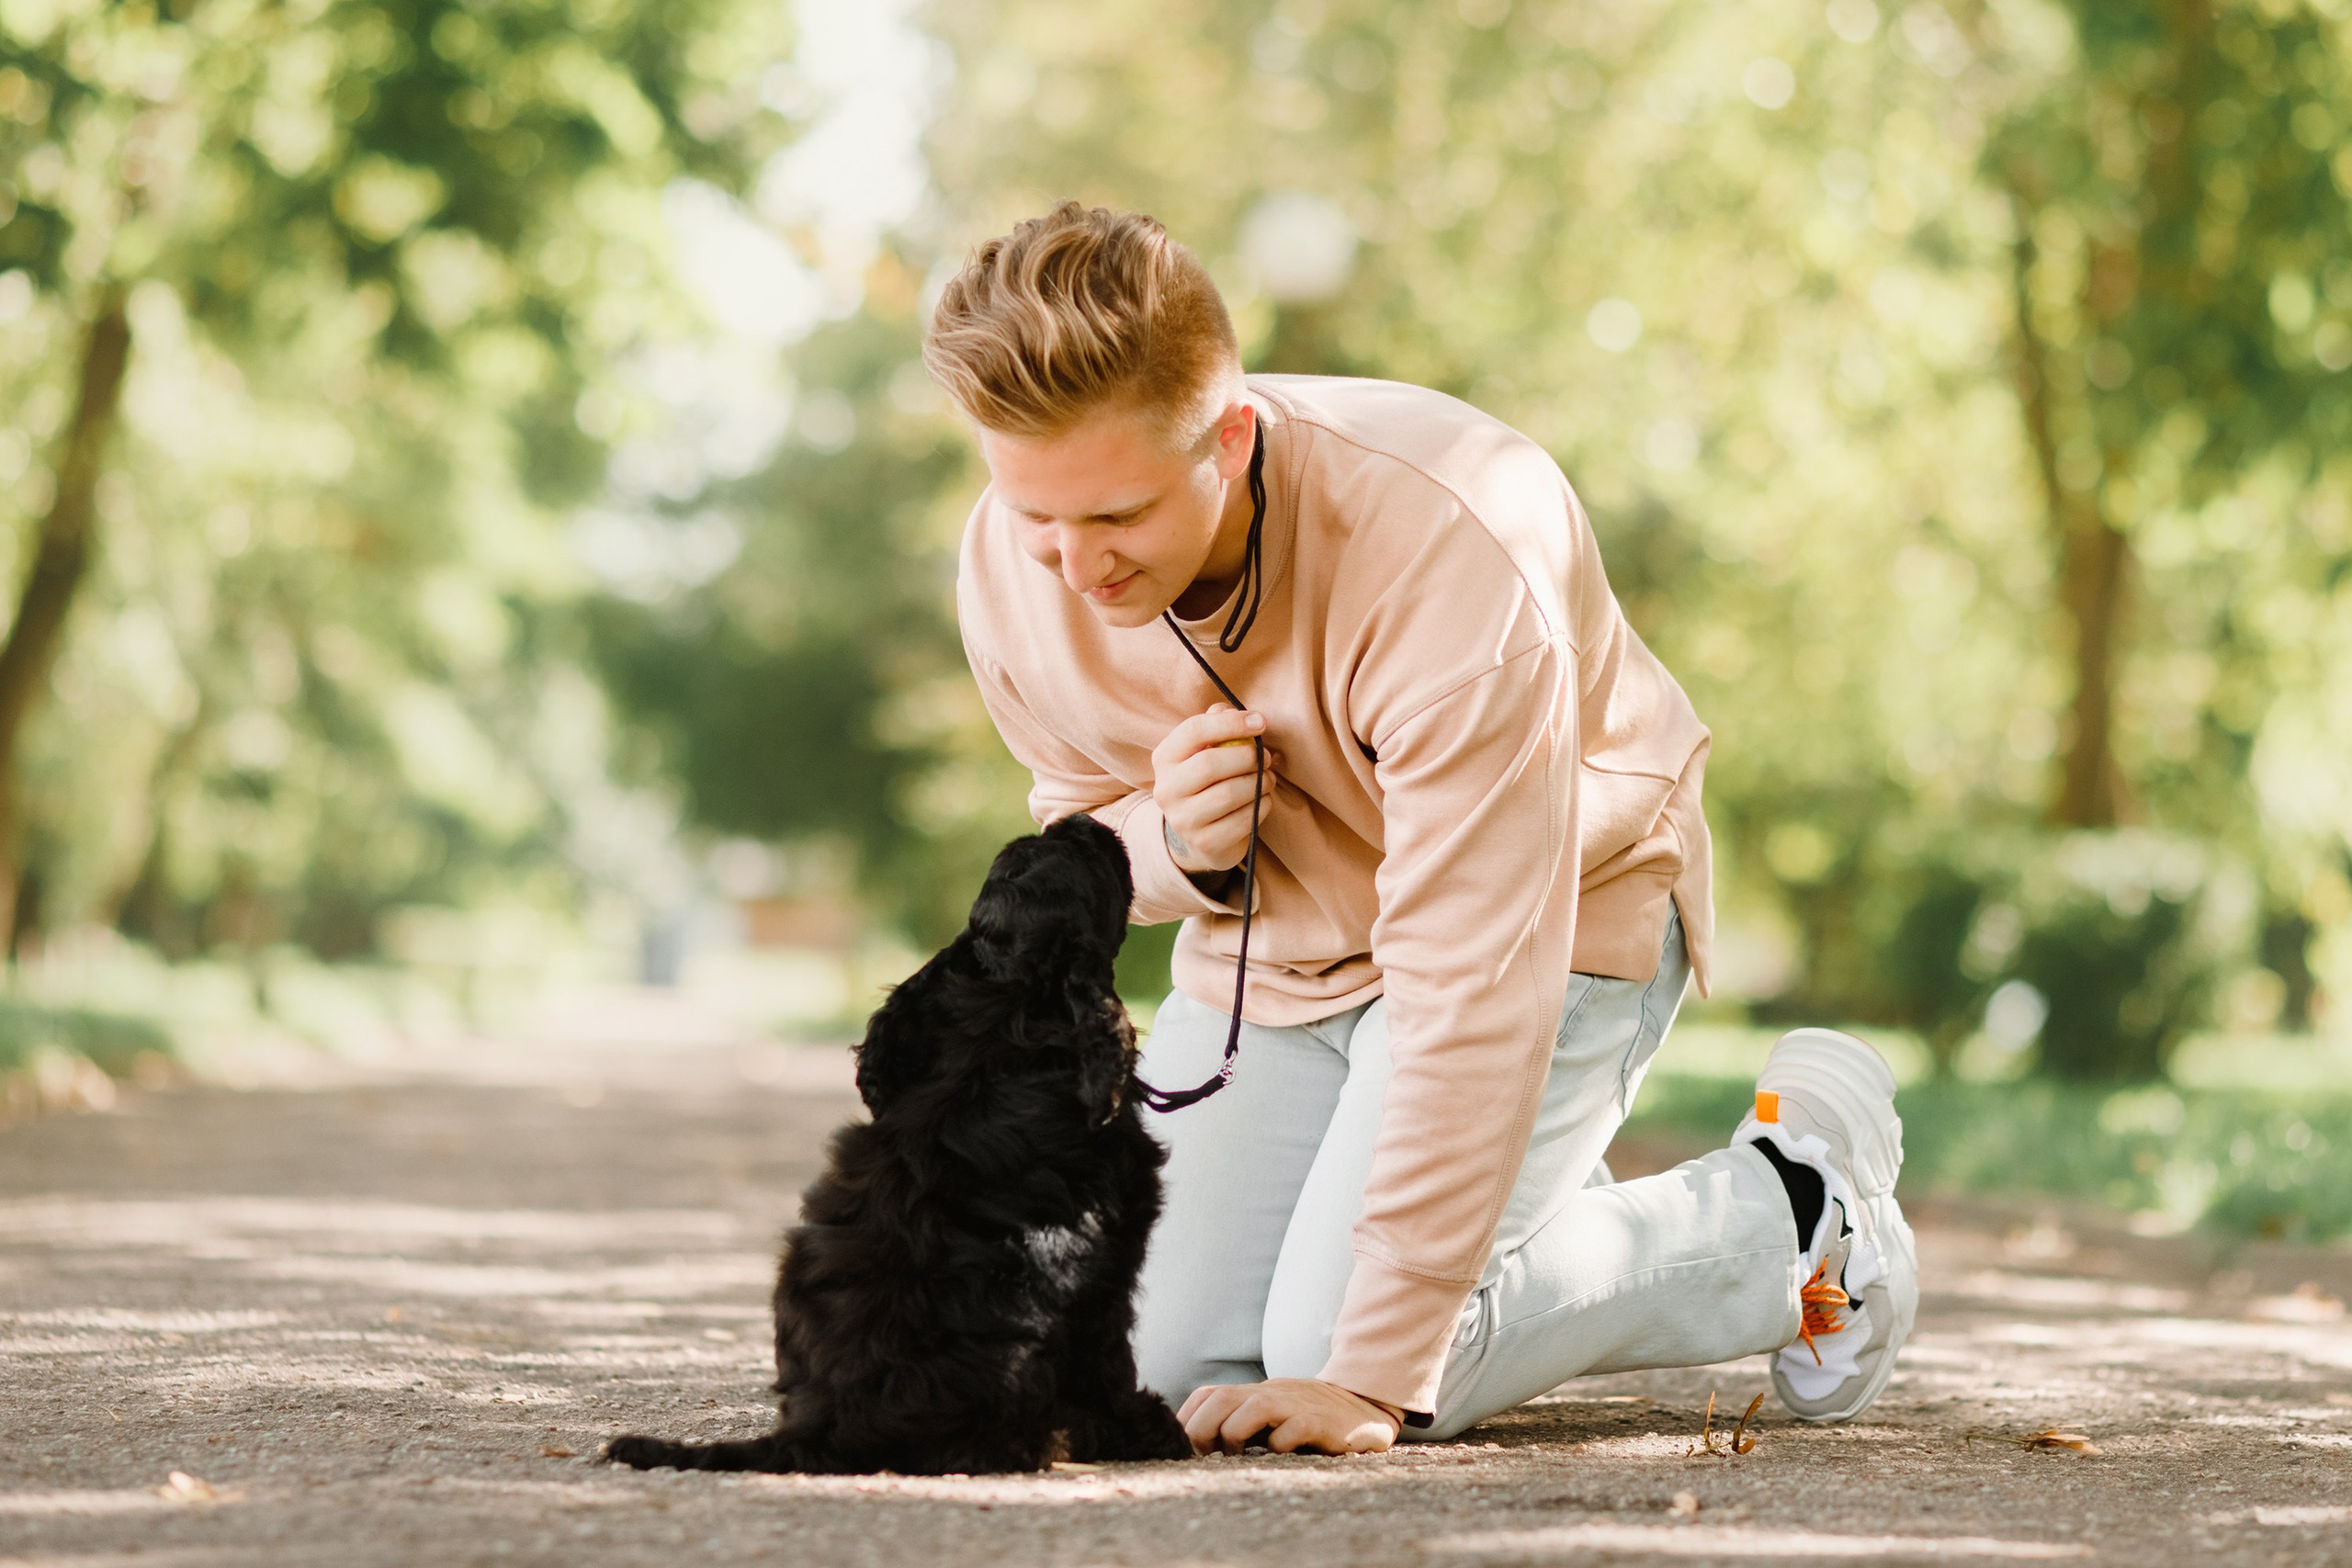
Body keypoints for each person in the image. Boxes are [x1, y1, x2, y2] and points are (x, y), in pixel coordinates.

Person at [925, 201, 1916, 1456]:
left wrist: (1376, 1372)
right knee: (1155, 1367)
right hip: (1284, 966)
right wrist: (1175, 841)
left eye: (1115, 518)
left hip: (1552, 924)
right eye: (1036, 519)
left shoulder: (1453, 544)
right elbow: (1079, 839)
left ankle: (1798, 1215)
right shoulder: (1014, 558)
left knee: (1345, 1349)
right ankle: (1498, 1205)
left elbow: (1470, 978)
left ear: (1229, 440)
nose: (1073, 566)